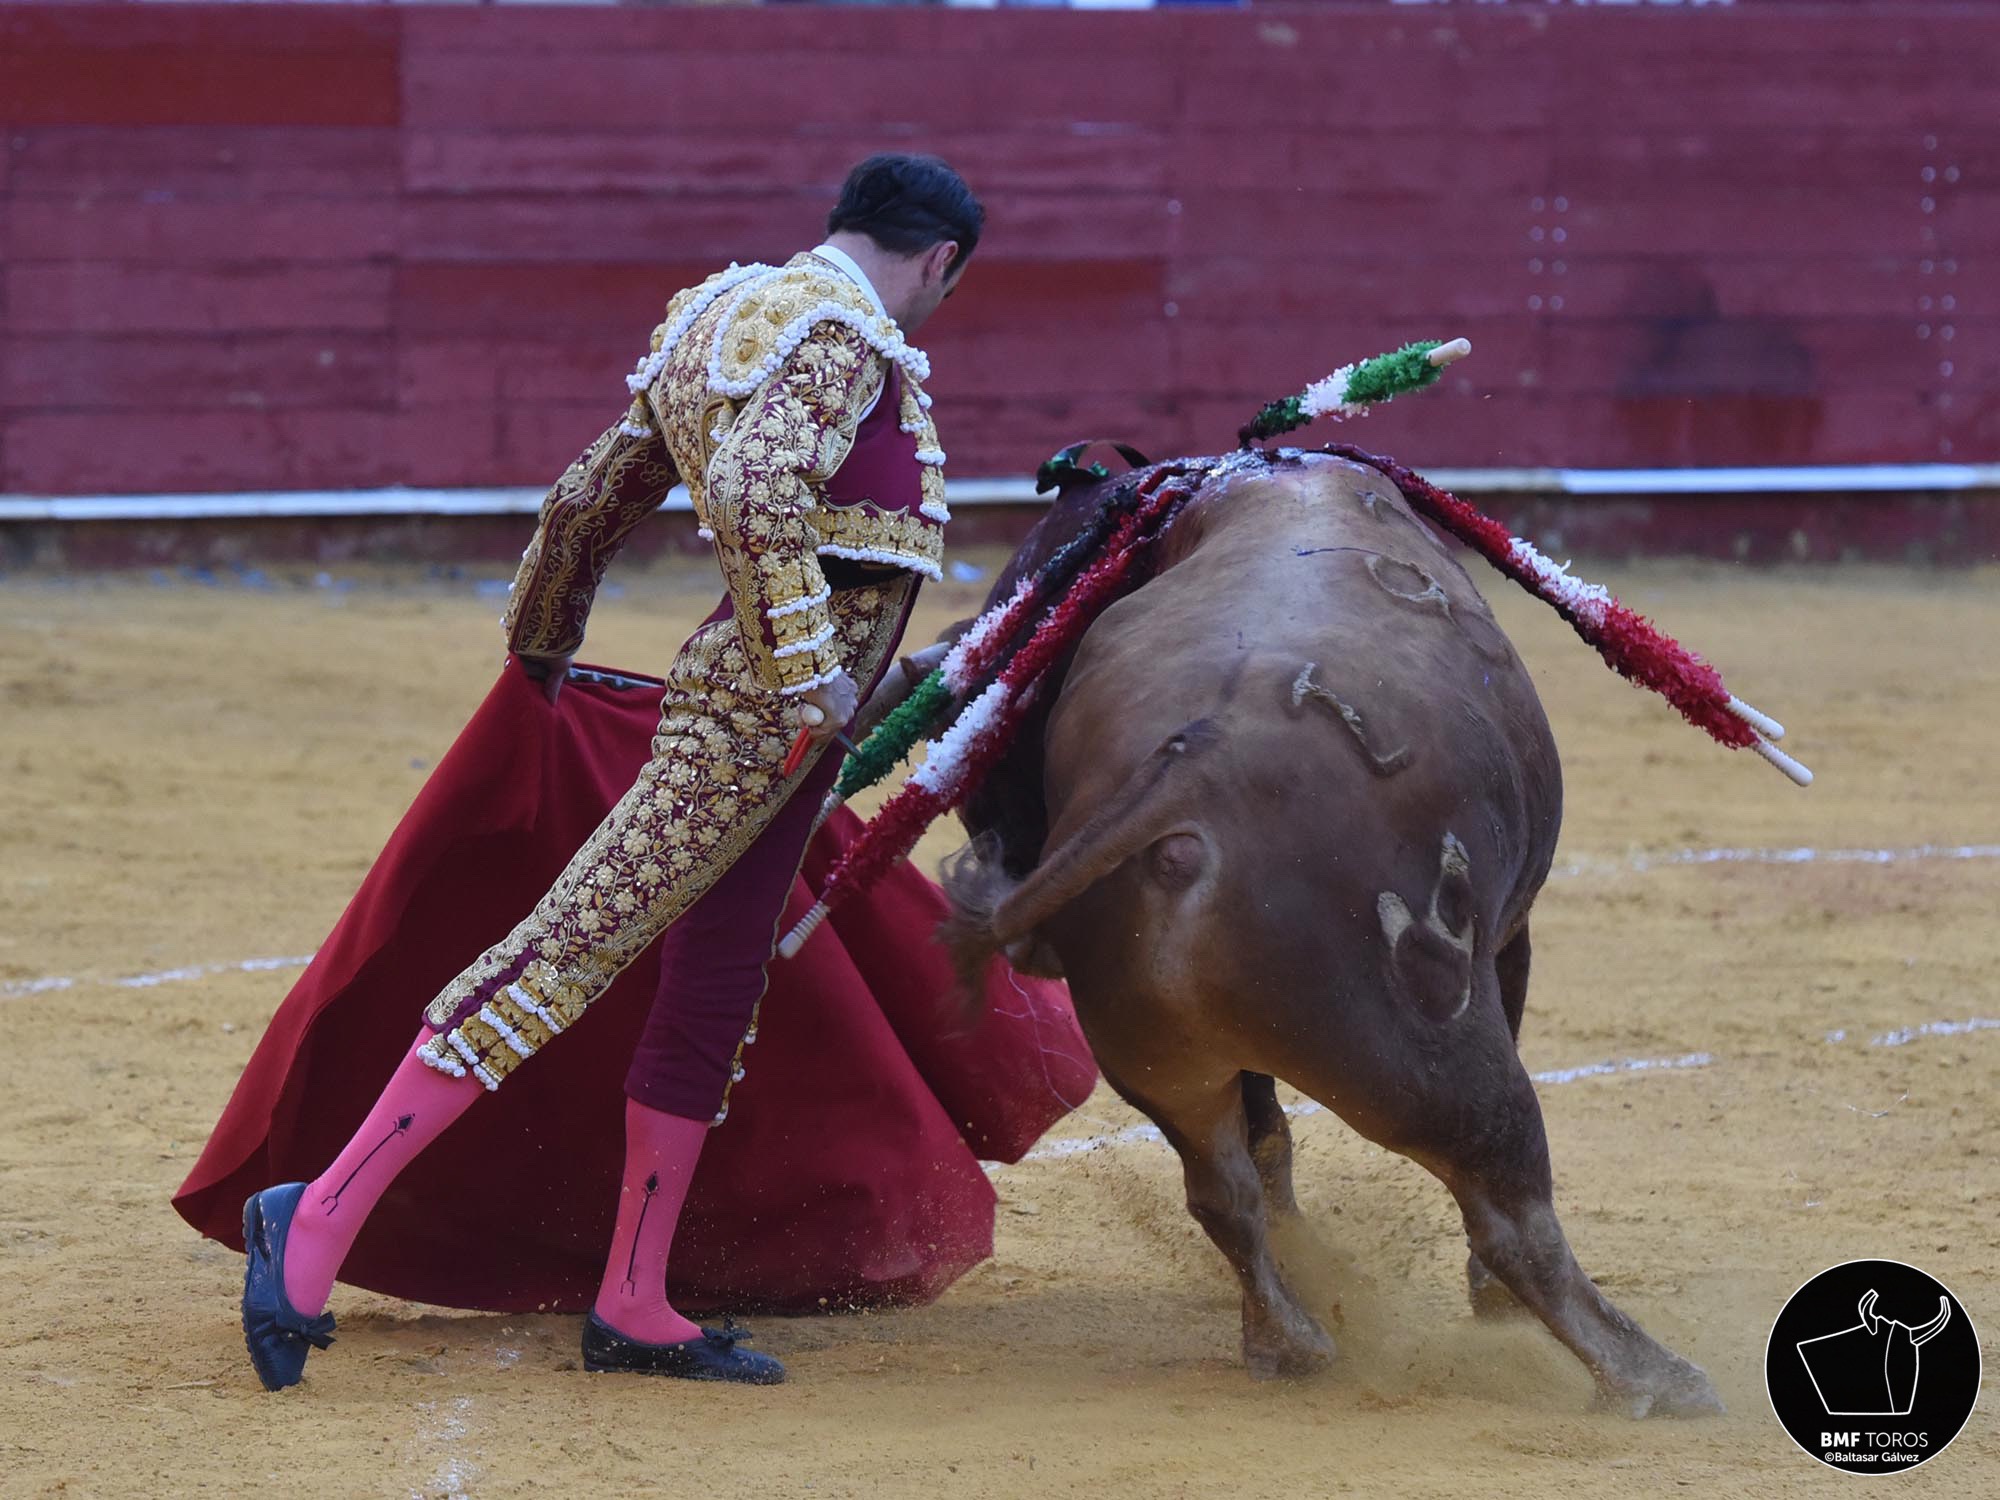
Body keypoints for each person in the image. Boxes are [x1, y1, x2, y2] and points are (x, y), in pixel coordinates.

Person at [240, 153, 983, 1390]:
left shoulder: (719, 313)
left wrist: (545, 640)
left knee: (711, 996)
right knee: (561, 955)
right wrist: (810, 677)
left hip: (773, 743)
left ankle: (634, 1299)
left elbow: (590, 498)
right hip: (754, 725)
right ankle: (310, 1215)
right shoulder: (847, 340)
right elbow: (752, 488)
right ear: (937, 262)